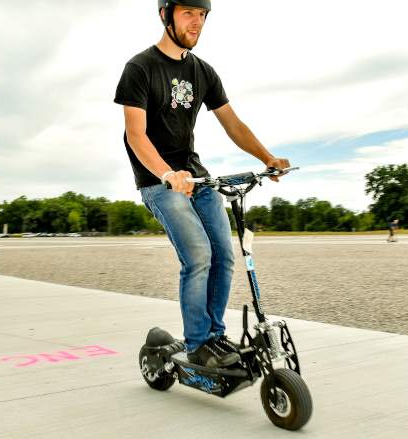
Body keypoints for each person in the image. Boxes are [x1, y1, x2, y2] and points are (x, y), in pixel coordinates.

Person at [114, 0, 290, 368]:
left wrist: (267, 159)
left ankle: (214, 336)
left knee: (224, 256)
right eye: (189, 13)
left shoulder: (203, 71)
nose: (198, 23)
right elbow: (136, 135)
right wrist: (166, 174)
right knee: (198, 256)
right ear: (166, 15)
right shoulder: (139, 68)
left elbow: (233, 124)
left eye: (203, 15)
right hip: (158, 180)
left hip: (195, 175)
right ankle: (198, 344)